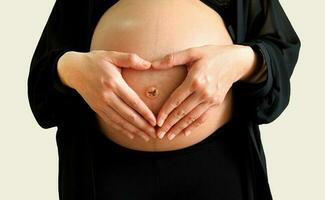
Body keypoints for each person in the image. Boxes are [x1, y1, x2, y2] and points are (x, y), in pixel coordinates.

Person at [27, 0, 300, 200]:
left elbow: (279, 49)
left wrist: (243, 61)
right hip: (106, 170)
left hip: (218, 165)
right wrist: (70, 68)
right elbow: (42, 87)